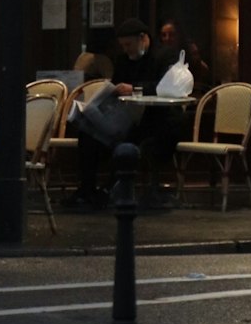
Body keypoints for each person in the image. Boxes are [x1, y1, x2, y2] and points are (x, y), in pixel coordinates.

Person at [66, 17, 176, 208]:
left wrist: (134, 87)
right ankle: (87, 190)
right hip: (124, 117)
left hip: (153, 119)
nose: (127, 50)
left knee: (132, 142)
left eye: (129, 44)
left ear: (143, 38)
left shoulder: (163, 56)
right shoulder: (123, 60)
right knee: (87, 135)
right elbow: (116, 84)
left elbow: (165, 86)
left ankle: (110, 189)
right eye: (123, 46)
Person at [158, 16, 211, 91]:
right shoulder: (159, 55)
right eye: (164, 35)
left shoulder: (190, 52)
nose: (167, 38)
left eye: (172, 34)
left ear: (179, 35)